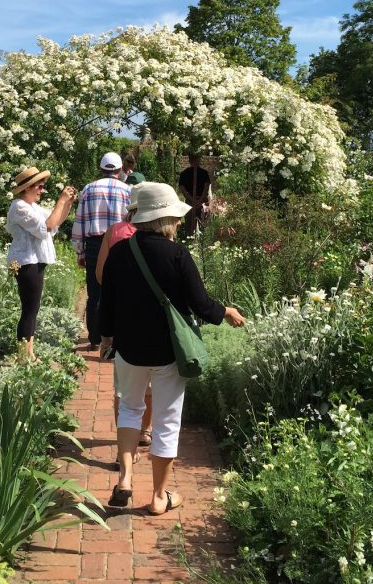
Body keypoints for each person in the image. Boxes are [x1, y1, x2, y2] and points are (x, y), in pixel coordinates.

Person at [98, 182, 245, 514]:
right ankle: (159, 497)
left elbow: (106, 303)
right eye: (176, 219)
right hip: (168, 351)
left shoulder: (121, 252)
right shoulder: (177, 254)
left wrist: (106, 338)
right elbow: (201, 303)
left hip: (129, 348)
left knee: (130, 409)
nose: (178, 223)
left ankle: (125, 478)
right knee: (166, 419)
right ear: (165, 219)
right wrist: (227, 312)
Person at [95, 185, 152, 461]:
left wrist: (105, 336)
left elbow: (101, 277)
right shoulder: (166, 241)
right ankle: (146, 431)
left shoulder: (114, 232)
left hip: (123, 323)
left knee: (124, 390)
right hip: (156, 326)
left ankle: (124, 454)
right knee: (152, 386)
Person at [6, 166, 77, 363]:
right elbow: (45, 227)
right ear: (26, 188)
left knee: (32, 308)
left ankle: (28, 352)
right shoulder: (19, 207)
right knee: (30, 308)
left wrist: (67, 204)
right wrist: (60, 201)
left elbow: (55, 222)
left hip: (34, 260)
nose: (41, 190)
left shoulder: (33, 207)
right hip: (25, 261)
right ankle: (23, 355)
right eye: (39, 186)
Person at [72, 152, 131, 349]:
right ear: (120, 169)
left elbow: (80, 220)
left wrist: (79, 251)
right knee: (121, 290)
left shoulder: (89, 189)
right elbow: (132, 221)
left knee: (95, 292)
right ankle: (116, 336)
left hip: (95, 244)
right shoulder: (127, 190)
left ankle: (95, 339)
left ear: (101, 169)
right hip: (120, 243)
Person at [178, 155, 211, 234]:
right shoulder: (184, 173)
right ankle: (190, 237)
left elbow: (206, 187)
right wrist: (196, 200)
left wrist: (198, 201)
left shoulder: (204, 173)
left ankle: (196, 237)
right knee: (190, 221)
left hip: (200, 201)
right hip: (193, 201)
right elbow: (182, 189)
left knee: (202, 221)